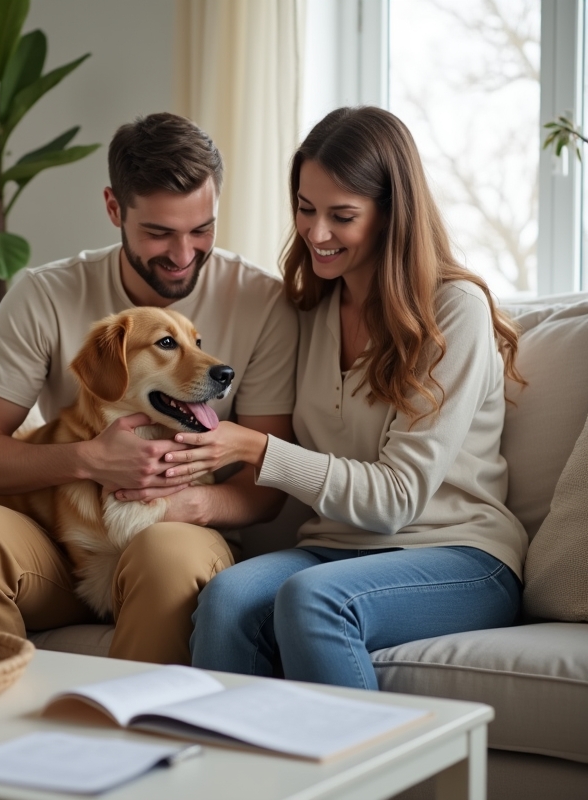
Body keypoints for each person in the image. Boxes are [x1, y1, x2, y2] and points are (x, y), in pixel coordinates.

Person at [0, 112, 298, 666]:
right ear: (114, 209)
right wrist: (92, 460)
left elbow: (269, 481)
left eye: (202, 229)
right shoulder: (45, 295)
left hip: (182, 537)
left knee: (164, 552)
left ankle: (135, 743)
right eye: (159, 232)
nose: (184, 253)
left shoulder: (262, 302)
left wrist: (190, 505)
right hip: (63, 551)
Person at [169, 106, 528, 689]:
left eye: (342, 216)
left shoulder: (453, 311)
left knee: (314, 601)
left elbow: (396, 500)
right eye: (305, 209)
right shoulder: (308, 310)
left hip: (459, 556)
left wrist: (261, 451)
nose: (316, 233)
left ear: (391, 216)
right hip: (333, 549)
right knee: (228, 597)